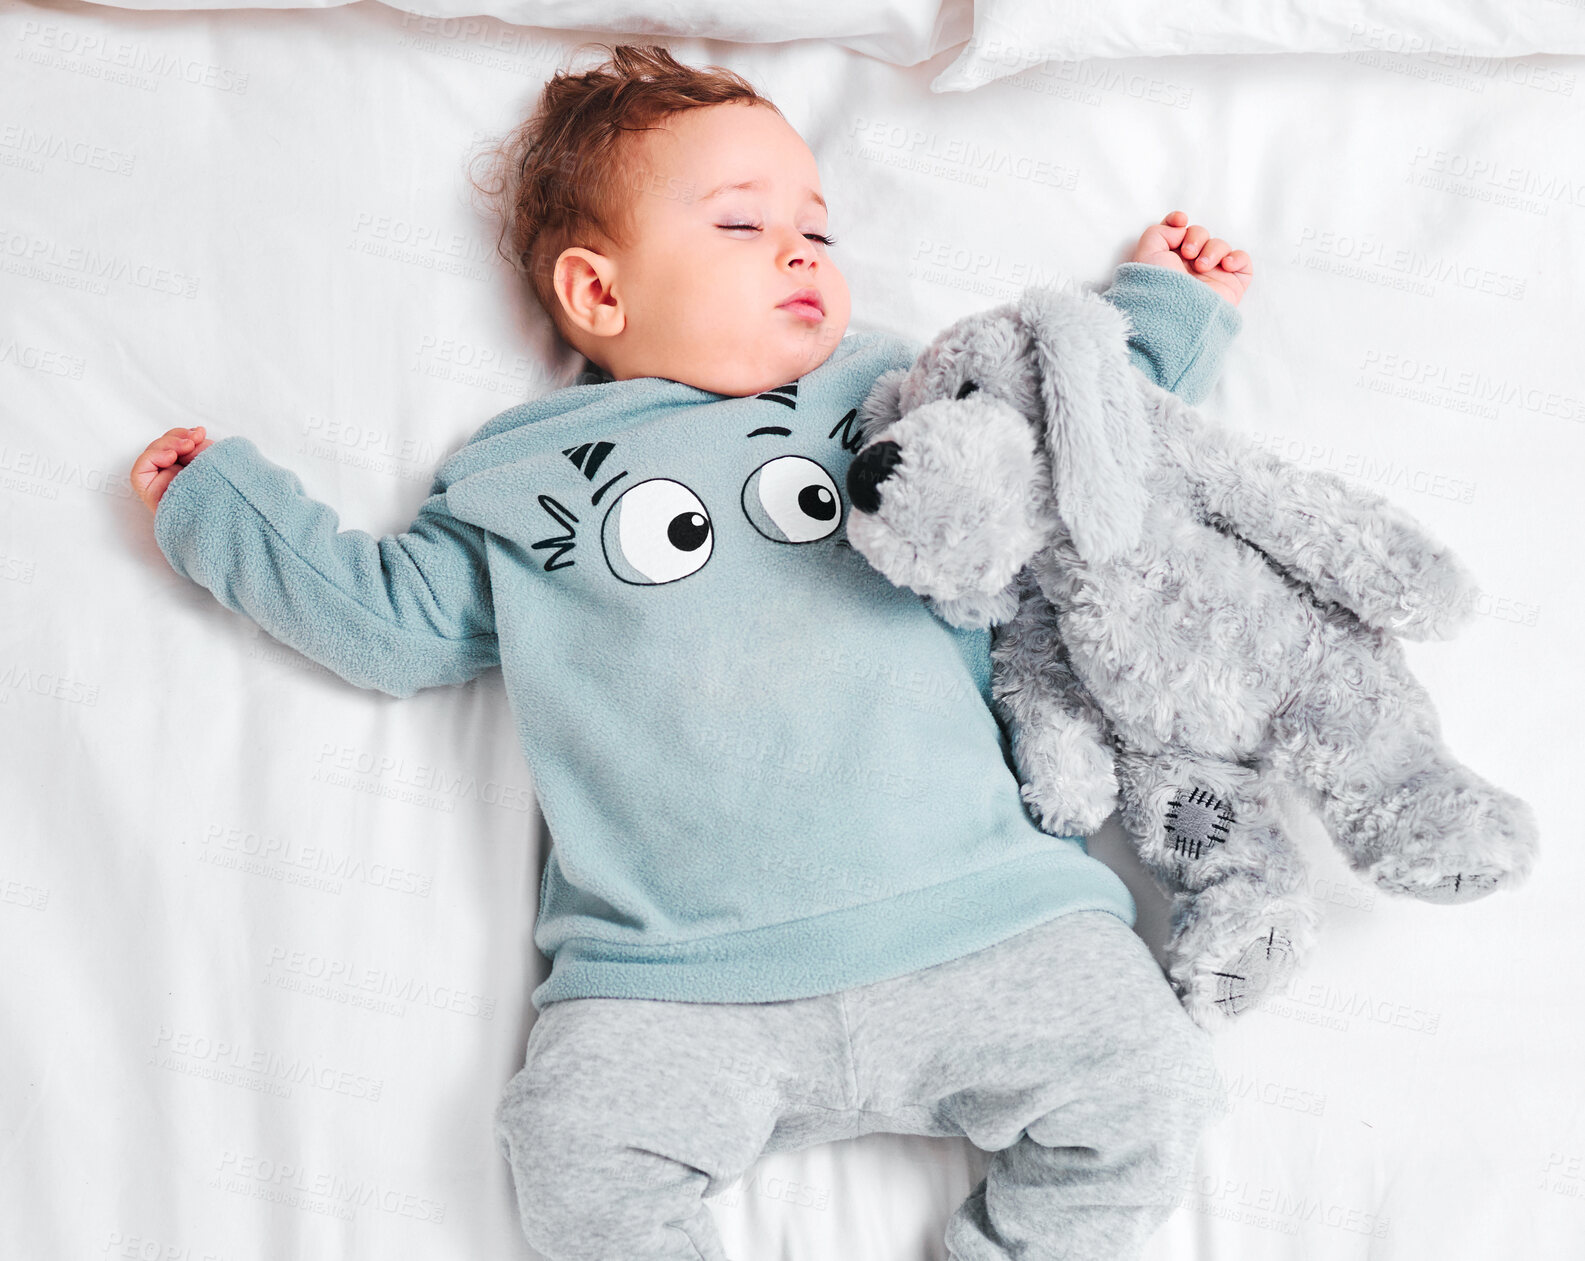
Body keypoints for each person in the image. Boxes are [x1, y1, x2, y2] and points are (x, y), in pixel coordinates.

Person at [132, 43, 1255, 1261]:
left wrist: (1157, 316)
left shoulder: (894, 394)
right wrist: (225, 515)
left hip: (984, 919)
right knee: (570, 1148)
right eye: (743, 225)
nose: (801, 253)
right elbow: (389, 620)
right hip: (675, 977)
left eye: (816, 231)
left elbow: (1058, 457)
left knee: (1153, 1088)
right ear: (597, 293)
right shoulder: (527, 481)